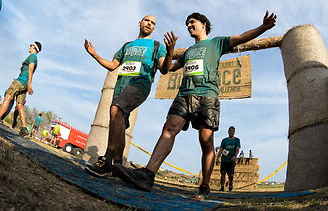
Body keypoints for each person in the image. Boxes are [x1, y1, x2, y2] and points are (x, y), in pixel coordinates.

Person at [114, 11, 277, 200]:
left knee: (205, 141)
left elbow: (241, 37)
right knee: (169, 128)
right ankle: (148, 175)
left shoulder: (216, 42)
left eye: (192, 22)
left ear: (203, 24)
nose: (189, 26)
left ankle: (205, 186)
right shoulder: (188, 52)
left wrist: (263, 27)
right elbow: (167, 69)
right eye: (187, 24)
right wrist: (170, 52)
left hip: (207, 96)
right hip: (184, 95)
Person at [84, 14, 177, 178]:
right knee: (118, 124)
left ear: (154, 28)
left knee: (116, 109)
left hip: (140, 85)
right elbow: (113, 65)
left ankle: (107, 161)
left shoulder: (157, 46)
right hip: (121, 86)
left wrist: (169, 52)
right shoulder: (127, 45)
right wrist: (94, 54)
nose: (149, 23)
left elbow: (164, 68)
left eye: (153, 23)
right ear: (140, 23)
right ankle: (118, 167)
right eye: (147, 20)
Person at [0, 41, 42, 137]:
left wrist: (29, 84)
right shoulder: (36, 59)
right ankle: (23, 128)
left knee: (8, 97)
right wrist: (27, 85)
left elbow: (30, 70)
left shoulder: (32, 56)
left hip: (21, 82)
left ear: (34, 47)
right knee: (19, 105)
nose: (29, 47)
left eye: (31, 45)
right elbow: (28, 71)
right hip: (24, 84)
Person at [216, 126, 241, 191]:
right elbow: (221, 150)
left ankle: (230, 183)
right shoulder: (224, 140)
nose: (231, 132)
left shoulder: (237, 140)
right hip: (224, 159)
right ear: (228, 132)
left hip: (231, 160)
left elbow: (237, 149)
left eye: (233, 131)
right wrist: (217, 158)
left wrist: (235, 156)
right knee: (223, 173)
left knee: (230, 174)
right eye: (230, 131)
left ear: (234, 132)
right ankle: (222, 187)